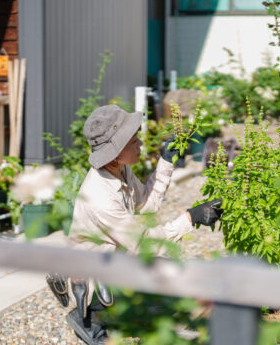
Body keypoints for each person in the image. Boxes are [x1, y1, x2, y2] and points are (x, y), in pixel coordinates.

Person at [47, 104, 223, 345]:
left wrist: (165, 162)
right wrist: (191, 218)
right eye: (133, 141)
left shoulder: (120, 170)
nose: (140, 144)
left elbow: (145, 204)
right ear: (115, 151)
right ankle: (92, 316)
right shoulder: (100, 197)